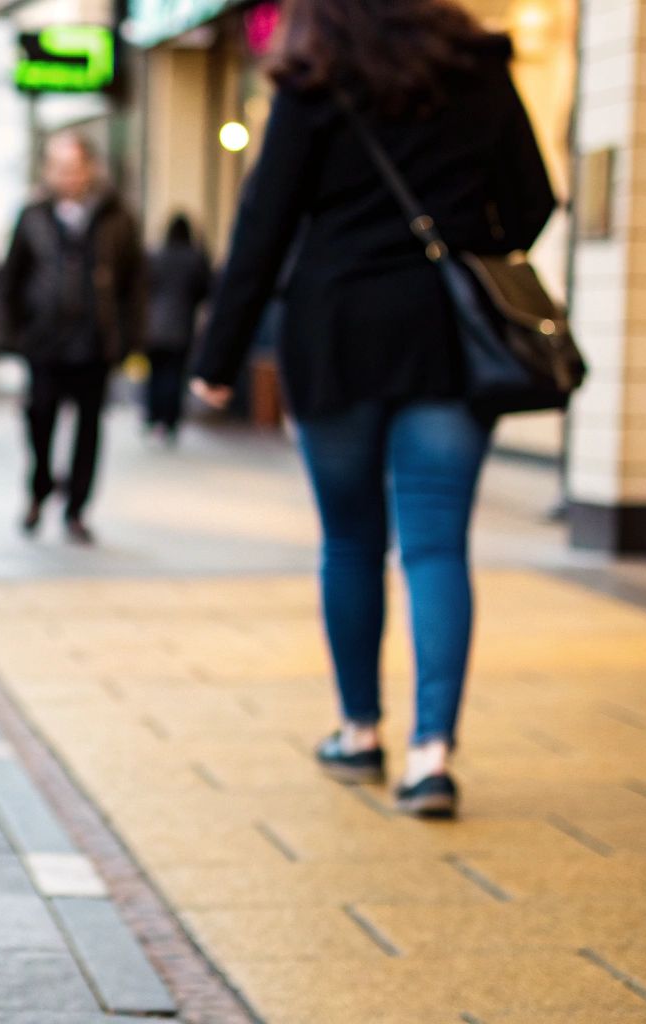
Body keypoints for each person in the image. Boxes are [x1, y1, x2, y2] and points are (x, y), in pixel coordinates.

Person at [190, 0, 554, 818]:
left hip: (336, 331)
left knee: (352, 541)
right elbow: (533, 200)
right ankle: (431, 757)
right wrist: (463, 237)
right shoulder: (478, 69)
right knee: (436, 545)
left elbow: (264, 224)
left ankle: (359, 731)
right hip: (446, 335)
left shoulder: (313, 78)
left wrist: (217, 357)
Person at [0, 132, 146, 545]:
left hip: (94, 339)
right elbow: (11, 278)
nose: (67, 177)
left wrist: (131, 338)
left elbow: (134, 282)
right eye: (59, 169)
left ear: (89, 169)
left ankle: (77, 507)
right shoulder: (33, 215)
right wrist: (7, 334)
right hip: (44, 339)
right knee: (39, 416)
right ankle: (40, 485)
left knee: (89, 426)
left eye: (74, 168)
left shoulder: (116, 216)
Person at [143, 214, 213, 444]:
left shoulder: (155, 255)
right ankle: (170, 419)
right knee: (174, 374)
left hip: (153, 326)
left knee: (155, 373)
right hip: (181, 324)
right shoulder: (194, 258)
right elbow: (206, 288)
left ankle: (153, 415)